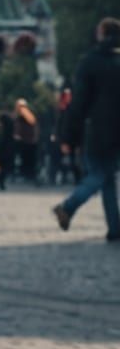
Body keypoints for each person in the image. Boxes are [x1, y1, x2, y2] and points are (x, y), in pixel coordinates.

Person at [52, 17, 120, 241]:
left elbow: (79, 102)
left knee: (99, 174)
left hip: (98, 129)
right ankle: (115, 227)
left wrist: (68, 135)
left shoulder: (91, 61)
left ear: (102, 34)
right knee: (107, 178)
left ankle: (68, 207)